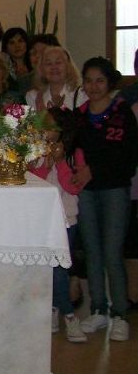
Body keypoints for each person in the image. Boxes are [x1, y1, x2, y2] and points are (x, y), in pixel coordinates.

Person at [75, 57, 138, 342]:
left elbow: (127, 156)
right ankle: (99, 307)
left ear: (110, 82)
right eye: (88, 80)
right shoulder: (81, 113)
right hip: (86, 192)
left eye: (99, 80)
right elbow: (75, 151)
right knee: (92, 250)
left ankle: (120, 313)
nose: (93, 86)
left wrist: (94, 170)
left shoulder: (122, 112)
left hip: (114, 189)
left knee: (112, 253)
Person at [28, 107, 88, 343]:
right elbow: (34, 184)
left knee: (60, 269)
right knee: (50, 269)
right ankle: (55, 310)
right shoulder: (37, 152)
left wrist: (61, 162)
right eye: (44, 126)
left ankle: (70, 316)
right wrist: (46, 163)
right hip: (43, 219)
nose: (46, 131)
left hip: (66, 219)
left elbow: (74, 187)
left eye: (51, 127)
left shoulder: (75, 154)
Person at [25, 45, 86, 111]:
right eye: (48, 64)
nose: (54, 67)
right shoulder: (33, 96)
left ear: (68, 67)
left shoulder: (81, 94)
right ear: (41, 69)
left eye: (58, 62)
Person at [1, 27, 32, 94]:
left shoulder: (34, 65)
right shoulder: (3, 69)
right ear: (6, 47)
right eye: (12, 43)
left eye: (20, 41)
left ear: (26, 44)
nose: (17, 46)